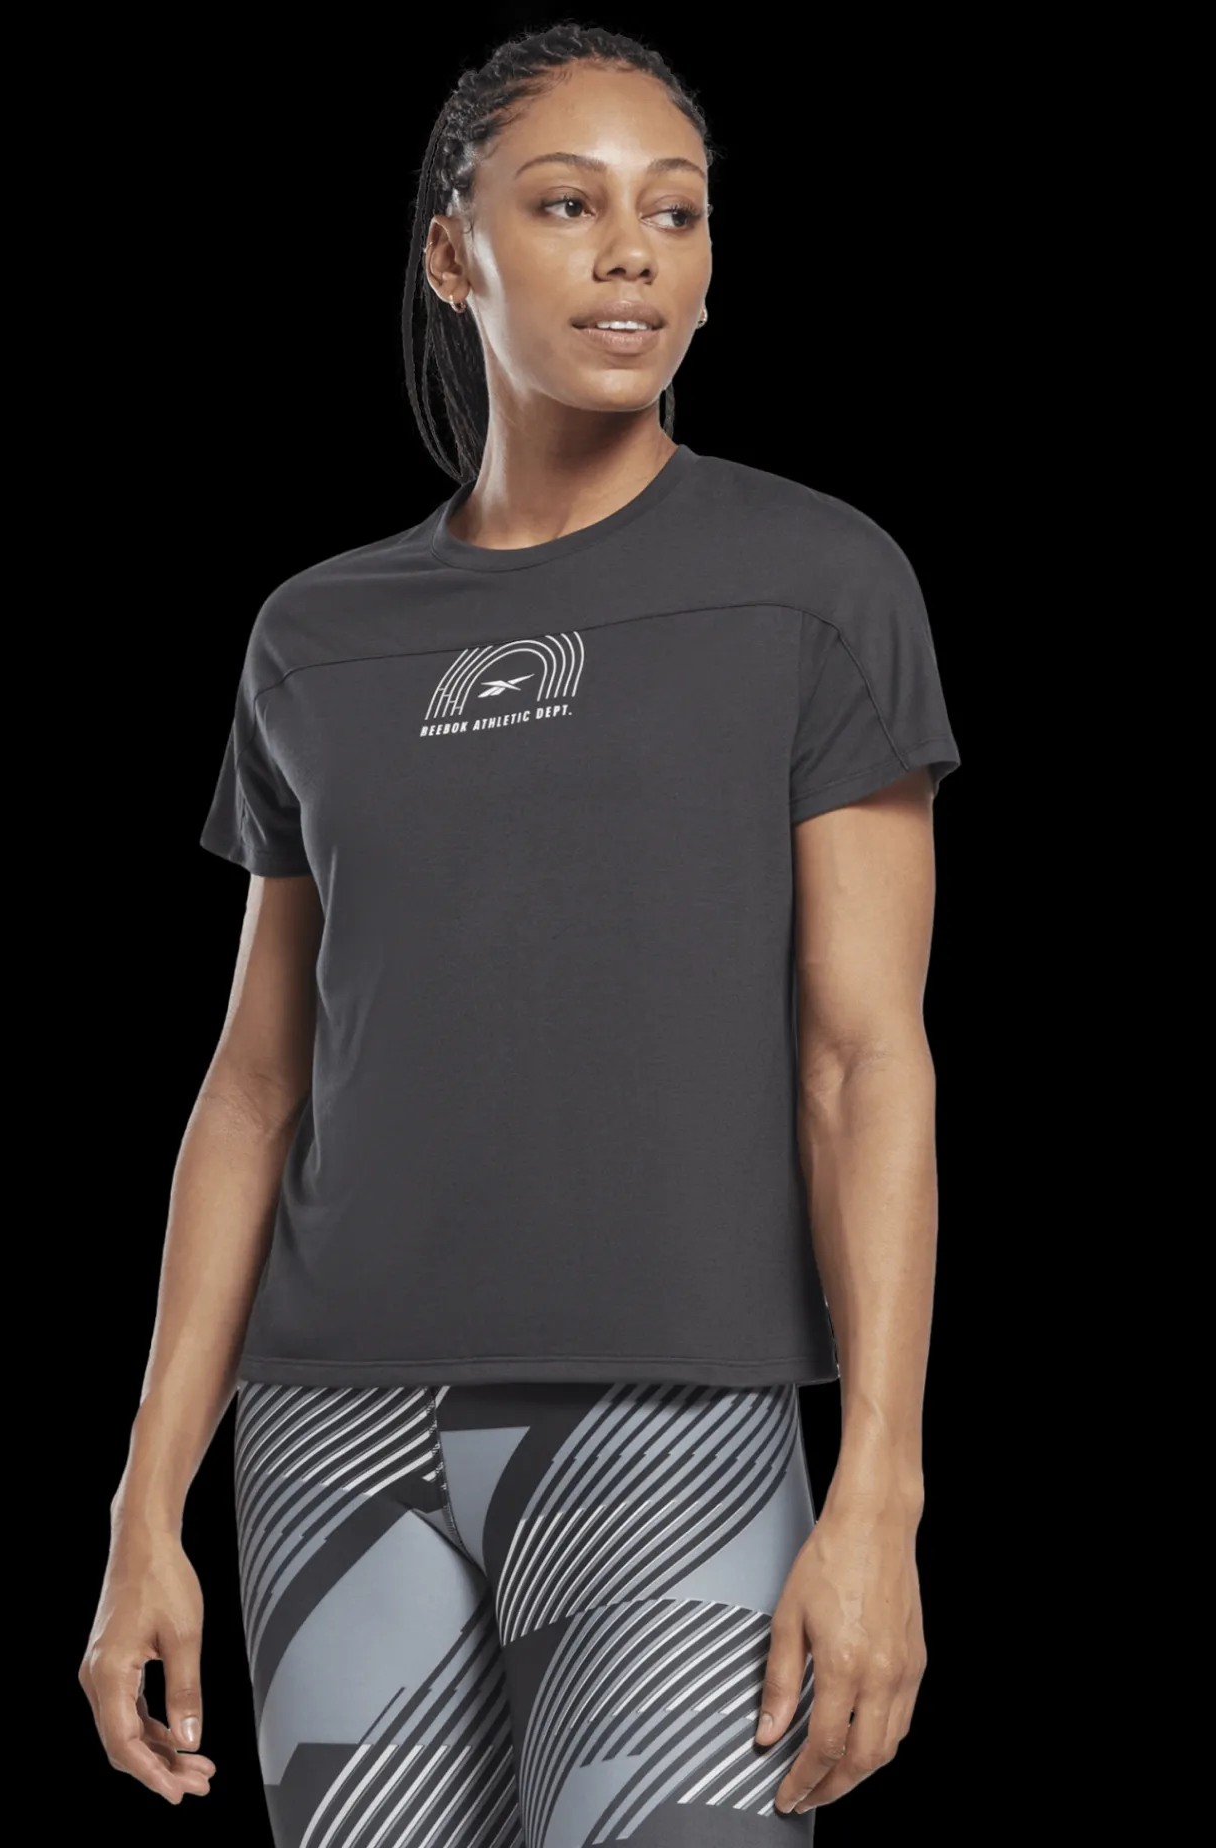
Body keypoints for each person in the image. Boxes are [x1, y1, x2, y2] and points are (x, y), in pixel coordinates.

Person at [78, 22, 961, 1844]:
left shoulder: (816, 584)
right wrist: (143, 1507)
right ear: (450, 250)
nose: (634, 253)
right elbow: (256, 1087)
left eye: (677, 213)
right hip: (333, 1434)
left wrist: (880, 1490)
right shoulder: (315, 636)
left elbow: (864, 1060)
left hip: (672, 1421)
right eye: (568, 205)